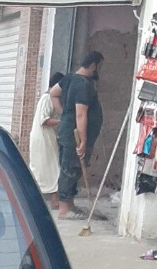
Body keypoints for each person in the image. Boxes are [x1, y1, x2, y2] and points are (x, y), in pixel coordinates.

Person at [56, 51, 104, 219]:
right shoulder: (83, 85)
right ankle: (63, 209)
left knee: (74, 170)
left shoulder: (69, 78)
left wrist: (63, 114)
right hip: (73, 135)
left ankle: (70, 204)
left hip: (66, 130)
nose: (98, 70)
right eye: (99, 66)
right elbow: (81, 114)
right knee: (69, 169)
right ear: (93, 65)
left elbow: (53, 93)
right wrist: (82, 141)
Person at [29, 71, 64, 209]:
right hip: (43, 139)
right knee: (50, 168)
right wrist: (62, 122)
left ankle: (52, 199)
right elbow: (44, 120)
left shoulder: (49, 98)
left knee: (48, 168)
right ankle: (53, 200)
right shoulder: (47, 98)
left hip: (46, 138)